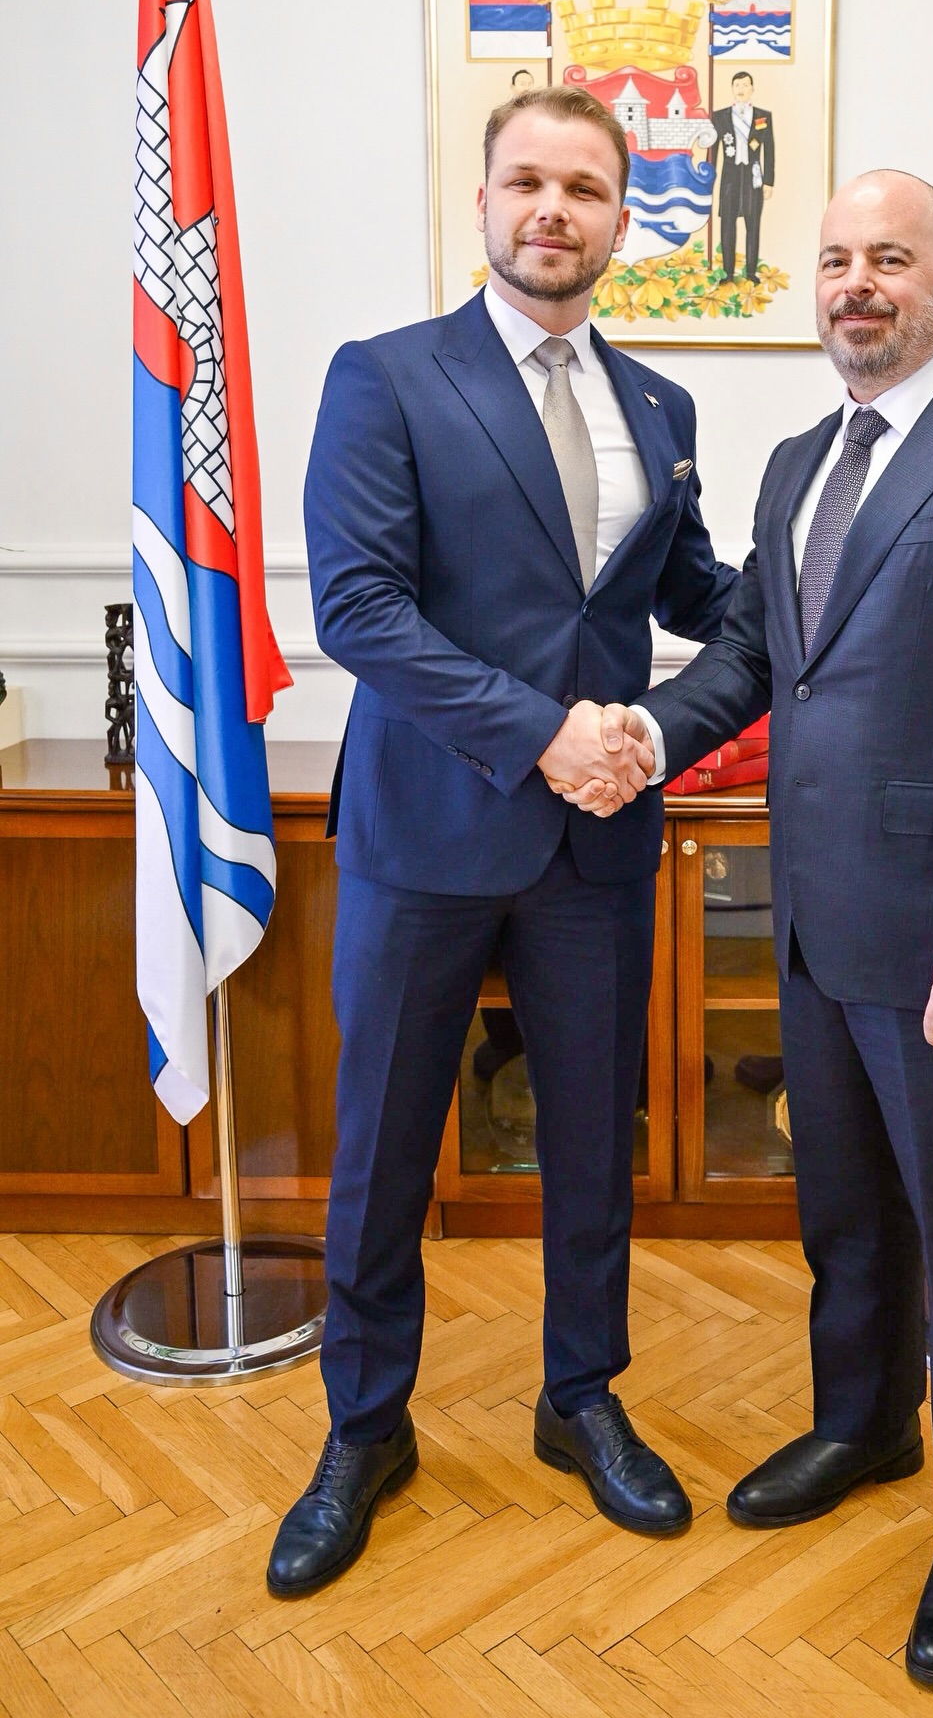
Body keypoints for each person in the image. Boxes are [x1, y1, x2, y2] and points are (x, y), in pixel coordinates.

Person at [566, 170, 933, 1687]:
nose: (856, 284)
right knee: (848, 1217)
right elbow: (757, 658)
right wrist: (644, 737)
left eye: (890, 257)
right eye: (834, 261)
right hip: (816, 924)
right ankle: (866, 1426)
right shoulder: (800, 460)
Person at [270, 85, 737, 1597]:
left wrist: (842, 598)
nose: (553, 208)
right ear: (480, 203)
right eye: (527, 181)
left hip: (598, 849)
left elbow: (691, 595)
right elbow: (360, 609)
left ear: (621, 222)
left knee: (593, 1140)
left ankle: (579, 1398)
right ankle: (365, 1428)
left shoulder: (660, 410)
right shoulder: (386, 378)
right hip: (425, 833)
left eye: (585, 189)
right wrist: (544, 731)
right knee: (383, 1147)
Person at [709, 70, 774, 284]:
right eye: (737, 85)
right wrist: (709, 177)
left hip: (753, 175)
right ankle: (728, 273)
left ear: (752, 88)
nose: (741, 89)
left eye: (745, 85)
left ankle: (750, 272)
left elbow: (769, 150)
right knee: (727, 223)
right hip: (730, 175)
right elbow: (713, 151)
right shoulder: (720, 116)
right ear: (732, 89)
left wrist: (768, 181)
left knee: (752, 224)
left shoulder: (763, 116)